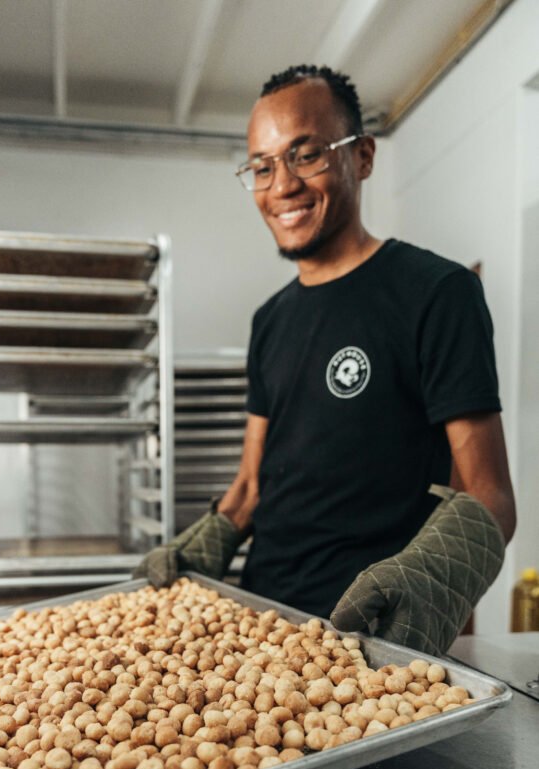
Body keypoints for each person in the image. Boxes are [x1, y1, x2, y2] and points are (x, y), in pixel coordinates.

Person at [136, 64, 516, 656]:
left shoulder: (437, 293)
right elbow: (253, 482)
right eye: (261, 166)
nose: (280, 184)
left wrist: (429, 584)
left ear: (362, 157)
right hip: (256, 625)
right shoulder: (270, 319)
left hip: (367, 639)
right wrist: (200, 545)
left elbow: (490, 495)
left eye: (305, 155)